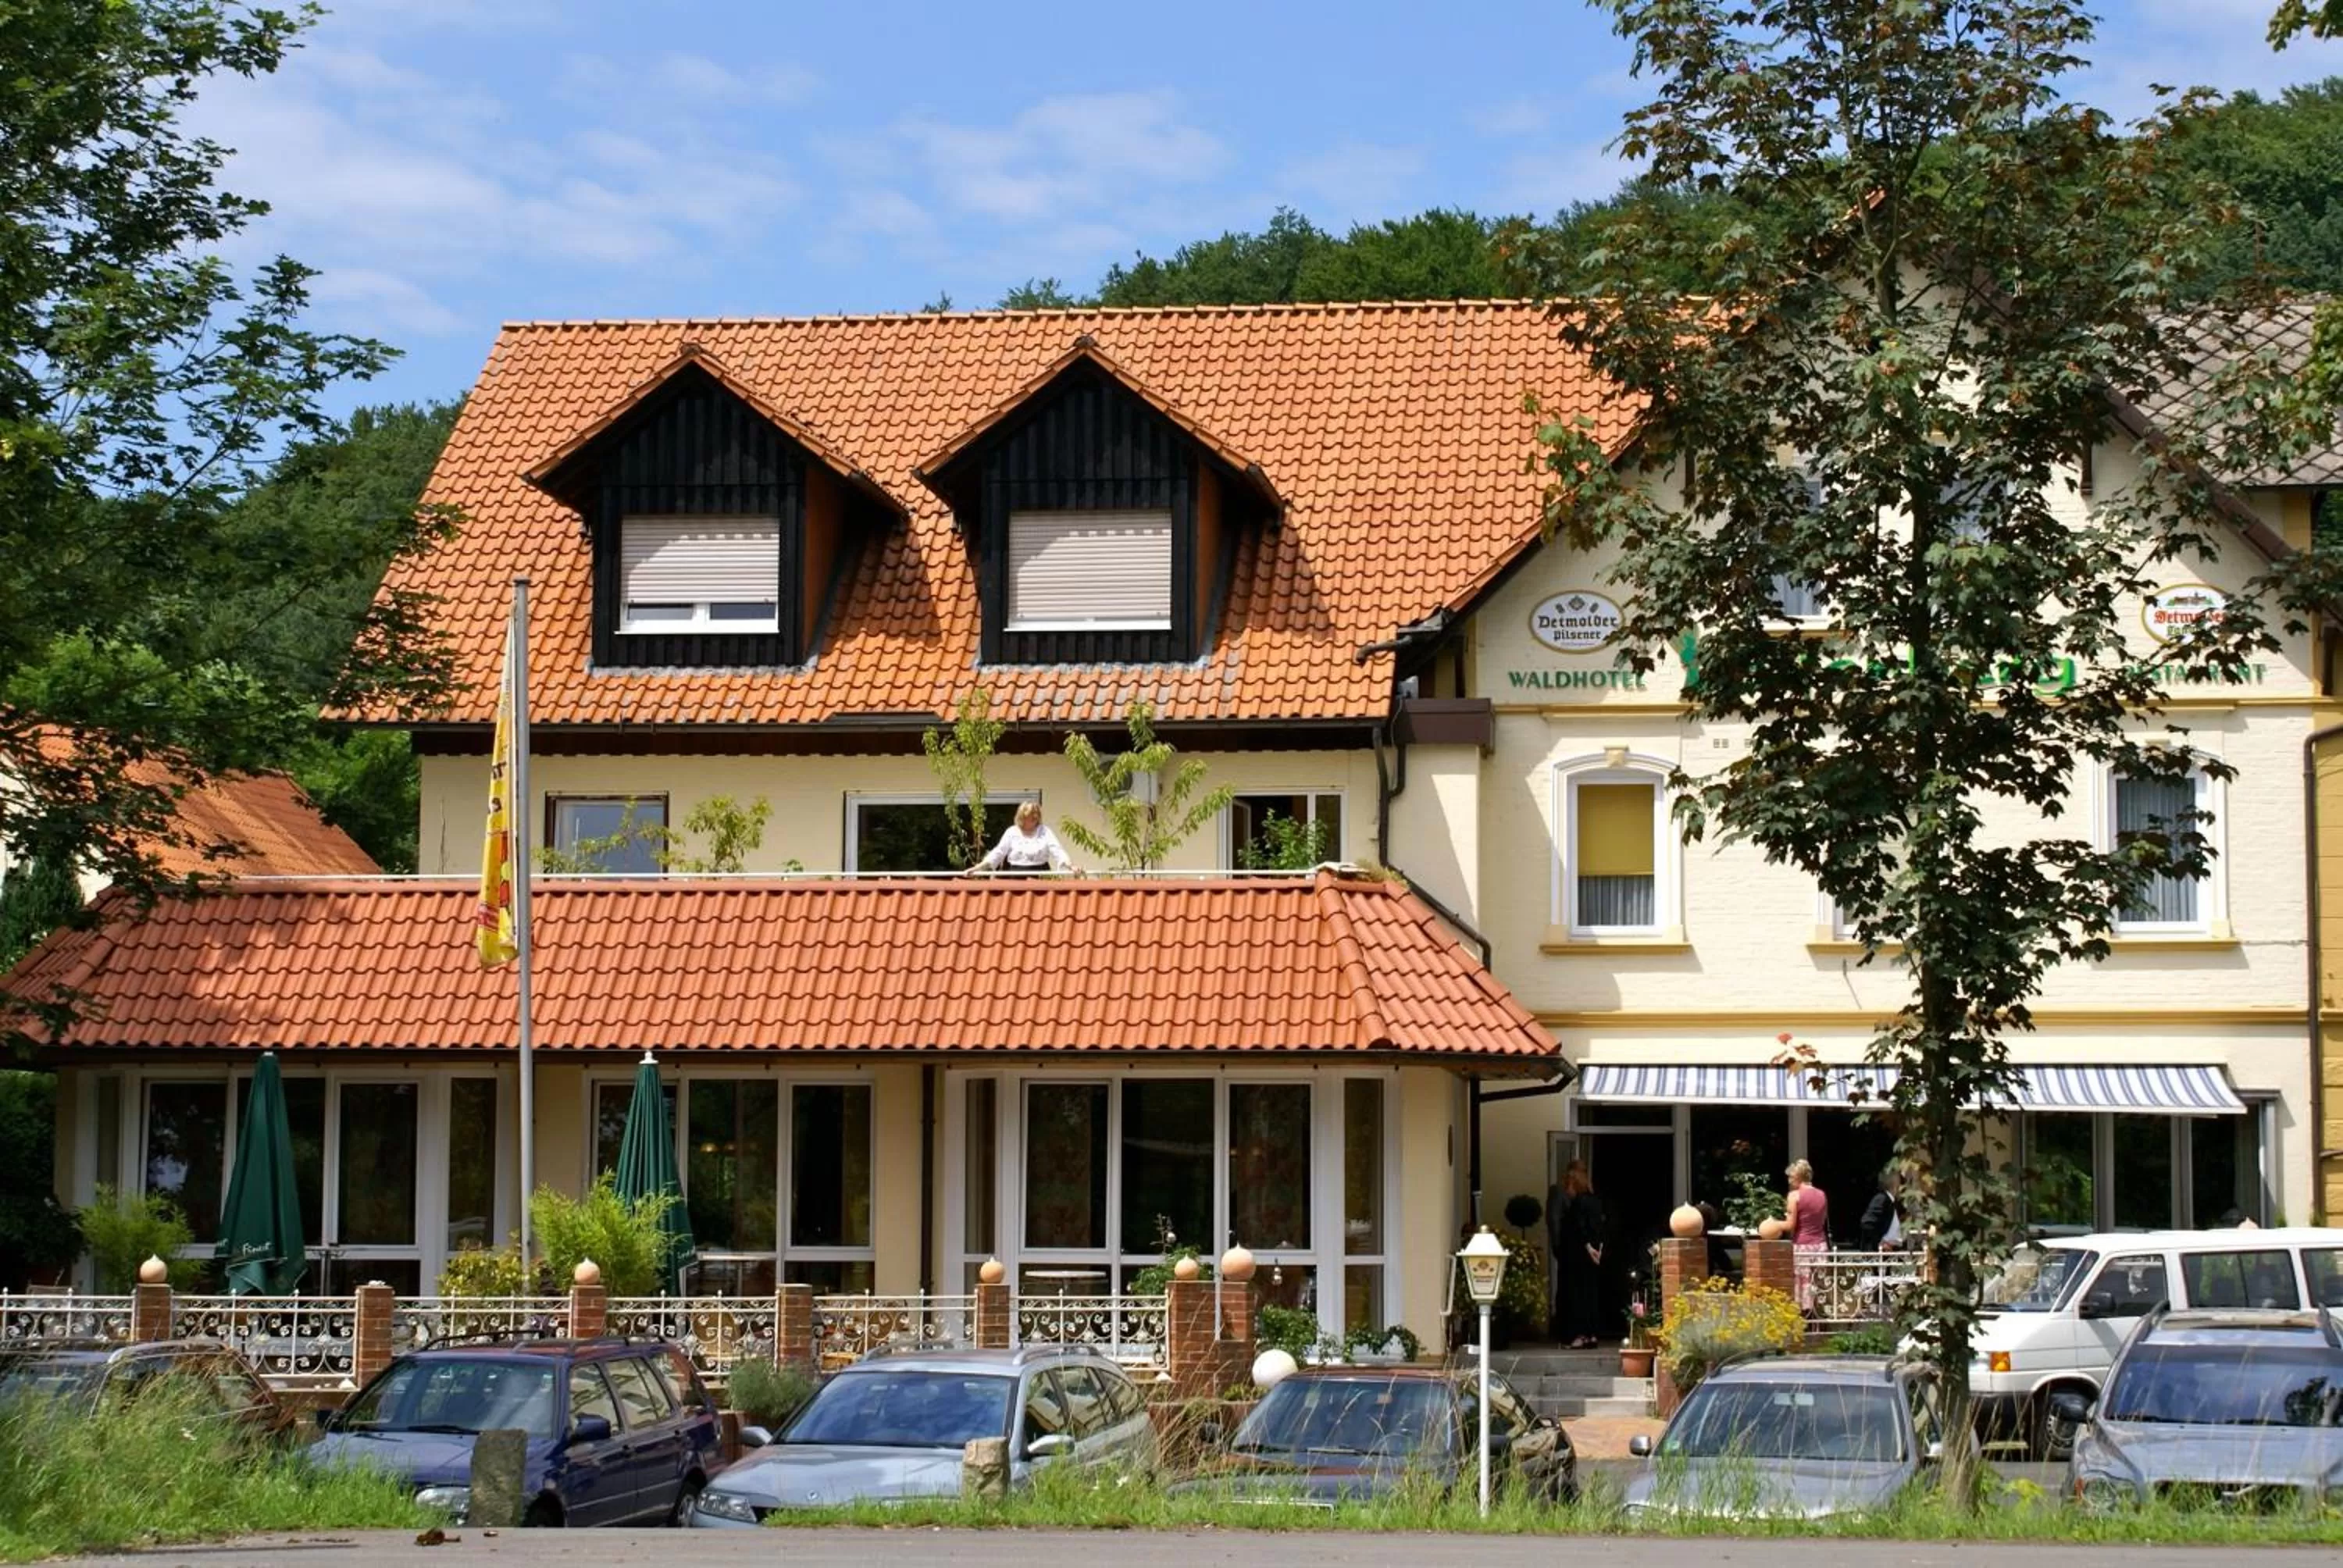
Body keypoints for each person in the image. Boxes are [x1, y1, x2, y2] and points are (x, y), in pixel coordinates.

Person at [1552, 1160, 1605, 1348]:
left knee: (1575, 1295)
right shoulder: (1594, 1200)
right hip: (1591, 1256)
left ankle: (1578, 1335)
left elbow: (1577, 1228)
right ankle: (1591, 1334)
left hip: (1576, 1255)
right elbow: (1599, 1226)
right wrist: (1598, 1249)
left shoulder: (1576, 1202)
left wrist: (1588, 1247)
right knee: (1590, 1294)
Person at [970, 802, 1072, 874]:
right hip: (1016, 876)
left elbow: (1057, 850)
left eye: (1036, 816)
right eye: (1031, 816)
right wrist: (978, 868)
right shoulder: (1012, 832)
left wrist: (1070, 866)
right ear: (1022, 817)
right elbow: (999, 852)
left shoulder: (1045, 831)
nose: (1034, 819)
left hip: (1041, 876)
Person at [1785, 1159, 1829, 1312]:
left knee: (1802, 1287)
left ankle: (1804, 1321)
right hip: (1820, 1246)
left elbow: (1791, 1225)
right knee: (1819, 1285)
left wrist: (1773, 1224)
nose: (1789, 1181)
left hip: (1802, 1246)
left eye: (1791, 1177)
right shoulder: (1822, 1195)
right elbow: (1822, 1221)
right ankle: (1819, 1321)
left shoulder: (1794, 1196)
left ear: (1798, 1177)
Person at [1857, 1165, 1900, 1252]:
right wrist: (1879, 1242)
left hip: (1891, 1253)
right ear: (1894, 1182)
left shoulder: (1890, 1201)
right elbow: (1867, 1223)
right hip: (1879, 1254)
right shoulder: (1882, 1199)